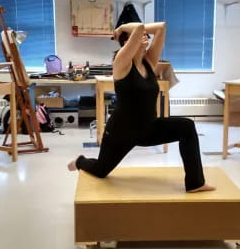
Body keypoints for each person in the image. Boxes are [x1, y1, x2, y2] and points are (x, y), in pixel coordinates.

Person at [68, 22, 215, 193]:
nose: (144, 35)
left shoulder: (148, 63)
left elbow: (161, 27)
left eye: (146, 35)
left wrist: (127, 30)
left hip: (148, 129)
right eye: (139, 35)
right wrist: (122, 28)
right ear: (127, 43)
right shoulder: (121, 62)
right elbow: (138, 28)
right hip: (122, 132)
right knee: (101, 170)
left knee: (187, 126)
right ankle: (80, 161)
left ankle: (195, 183)